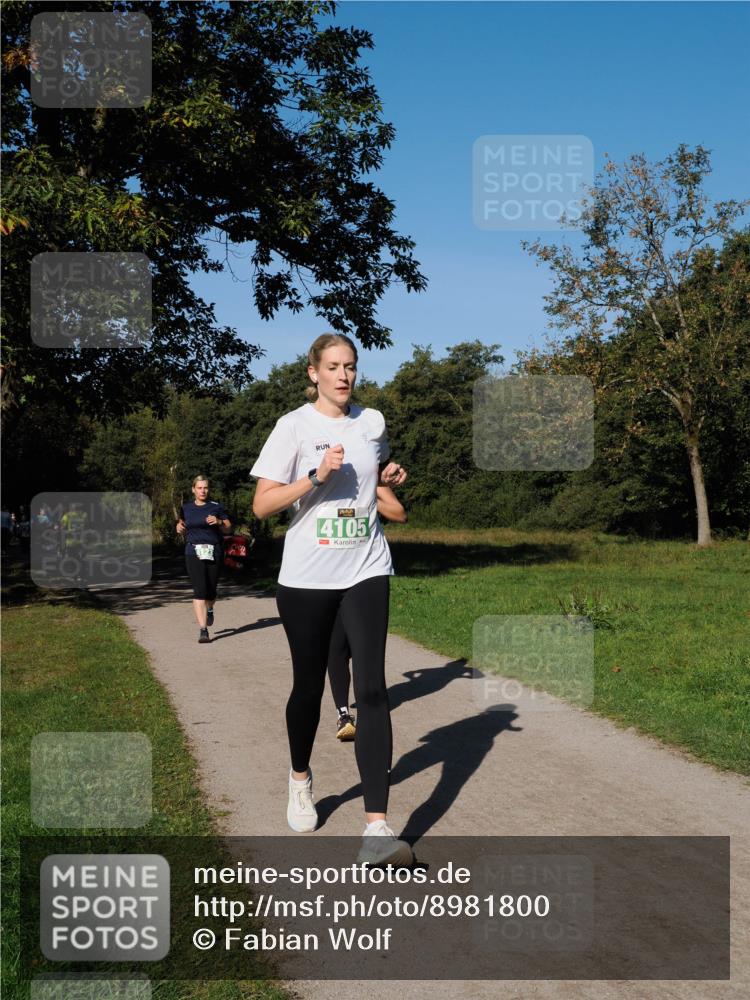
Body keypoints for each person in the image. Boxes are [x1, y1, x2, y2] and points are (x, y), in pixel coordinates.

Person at [251, 333, 411, 866]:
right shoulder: (293, 426)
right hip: (306, 577)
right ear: (313, 373)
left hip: (366, 568)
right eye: (334, 367)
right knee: (307, 687)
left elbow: (375, 485)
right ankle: (300, 778)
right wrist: (314, 478)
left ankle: (377, 827)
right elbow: (261, 505)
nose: (344, 376)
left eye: (351, 367)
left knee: (371, 689)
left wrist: (385, 479)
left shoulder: (372, 422)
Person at [330, 486, 407, 741]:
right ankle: (343, 714)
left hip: (365, 574)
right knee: (336, 648)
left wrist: (369, 498)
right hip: (327, 574)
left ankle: (368, 711)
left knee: (364, 651)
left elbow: (398, 513)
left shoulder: (372, 479)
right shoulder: (323, 474)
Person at [176, 476, 232, 643]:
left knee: (211, 591)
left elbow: (229, 528)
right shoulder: (186, 508)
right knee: (199, 590)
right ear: (193, 489)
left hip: (214, 551)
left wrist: (220, 521)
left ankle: (210, 608)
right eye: (199, 488)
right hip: (193, 552)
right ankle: (203, 630)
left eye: (205, 488)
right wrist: (179, 528)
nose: (203, 491)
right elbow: (182, 525)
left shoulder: (216, 507)